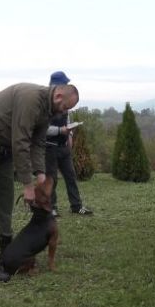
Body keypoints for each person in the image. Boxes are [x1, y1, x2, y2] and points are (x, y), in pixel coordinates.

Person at [0, 82, 79, 282]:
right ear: (59, 95)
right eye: (65, 107)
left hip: (4, 144)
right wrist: (28, 185)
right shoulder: (31, 98)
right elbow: (21, 142)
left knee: (6, 194)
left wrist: (41, 175)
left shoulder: (48, 110)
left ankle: (6, 249)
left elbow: (38, 142)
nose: (65, 112)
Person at [45, 71, 93, 216]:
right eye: (64, 83)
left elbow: (68, 121)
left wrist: (70, 134)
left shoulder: (65, 104)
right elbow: (43, 129)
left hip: (64, 147)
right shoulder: (46, 104)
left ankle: (76, 206)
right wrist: (60, 130)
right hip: (49, 148)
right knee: (51, 179)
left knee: (71, 177)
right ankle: (51, 208)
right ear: (57, 85)